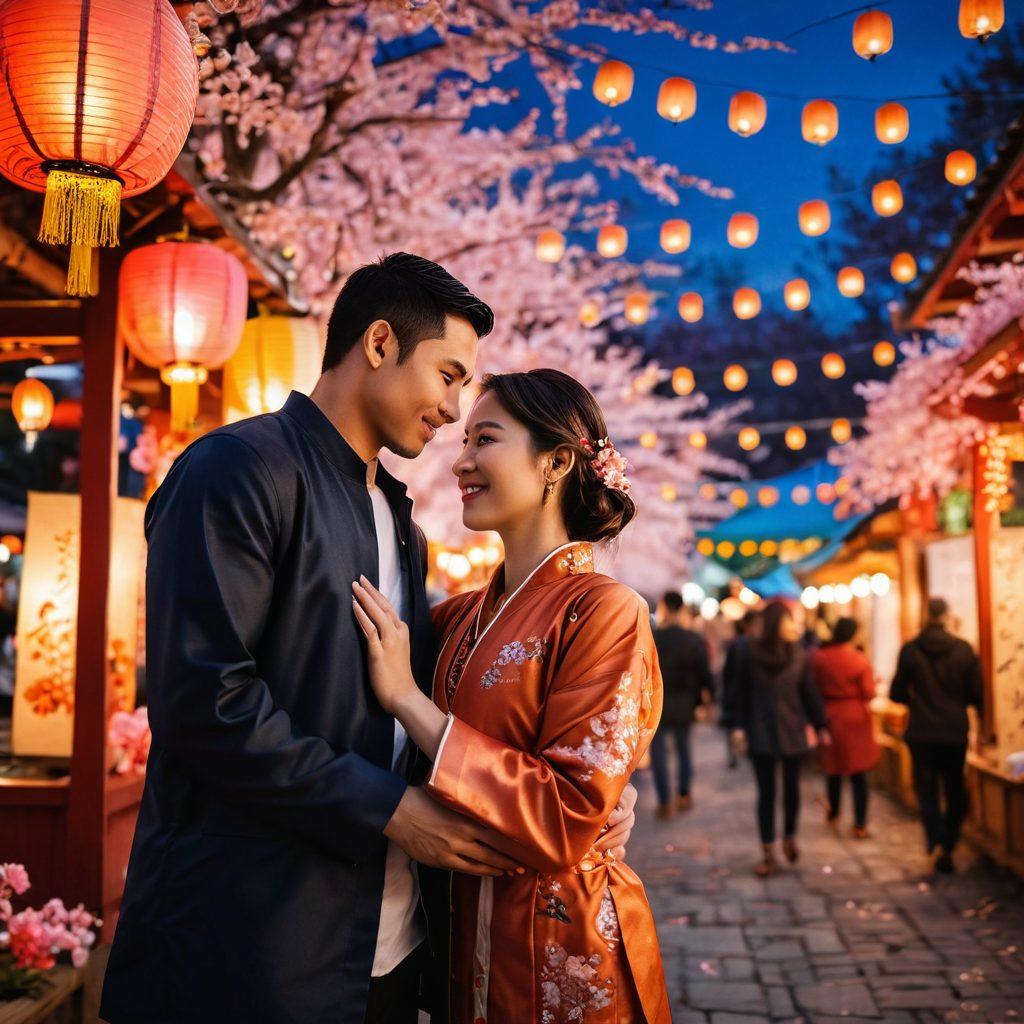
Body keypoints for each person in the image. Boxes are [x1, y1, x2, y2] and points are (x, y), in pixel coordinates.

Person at [100, 255, 637, 1024]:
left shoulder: (401, 525)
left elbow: (432, 708)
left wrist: (589, 788)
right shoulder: (238, 470)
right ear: (380, 343)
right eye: (449, 376)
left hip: (391, 947)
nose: (454, 411)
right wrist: (392, 809)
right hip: (253, 940)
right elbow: (206, 702)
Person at [352, 369, 671, 1023]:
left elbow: (569, 816)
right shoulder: (457, 617)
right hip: (456, 938)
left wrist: (412, 703)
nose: (462, 461)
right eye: (464, 439)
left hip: (561, 948)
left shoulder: (606, 612)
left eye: (485, 440)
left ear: (555, 462)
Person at [724, 600, 828, 877]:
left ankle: (789, 837)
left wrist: (820, 724)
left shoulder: (798, 653)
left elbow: (808, 691)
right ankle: (768, 849)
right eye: (788, 621)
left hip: (791, 728)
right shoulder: (749, 653)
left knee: (792, 790)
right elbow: (739, 691)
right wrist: (736, 725)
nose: (792, 626)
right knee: (767, 793)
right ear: (776, 624)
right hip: (762, 730)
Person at [890, 597, 983, 874]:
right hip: (954, 730)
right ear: (947, 616)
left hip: (922, 731)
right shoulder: (964, 650)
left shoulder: (910, 650)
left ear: (926, 615)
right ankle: (949, 843)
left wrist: (918, 701)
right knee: (955, 788)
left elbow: (897, 692)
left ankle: (934, 837)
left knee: (926, 789)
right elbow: (976, 694)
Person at [809, 617, 879, 838]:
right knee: (858, 773)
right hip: (854, 717)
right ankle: (860, 824)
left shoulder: (819, 657)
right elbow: (868, 693)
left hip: (829, 714)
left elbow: (812, 686)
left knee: (834, 768)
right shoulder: (858, 660)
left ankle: (834, 812)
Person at [650, 591, 712, 817]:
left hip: (657, 704)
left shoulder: (653, 637)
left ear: (665, 607)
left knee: (659, 754)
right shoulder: (692, 639)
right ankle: (684, 795)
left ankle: (665, 802)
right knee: (684, 750)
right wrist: (705, 699)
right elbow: (704, 672)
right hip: (685, 702)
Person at [720, 610, 759, 769]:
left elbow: (727, 673)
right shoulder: (751, 644)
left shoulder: (737, 644)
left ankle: (733, 755)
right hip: (746, 694)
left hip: (735, 692)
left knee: (734, 726)